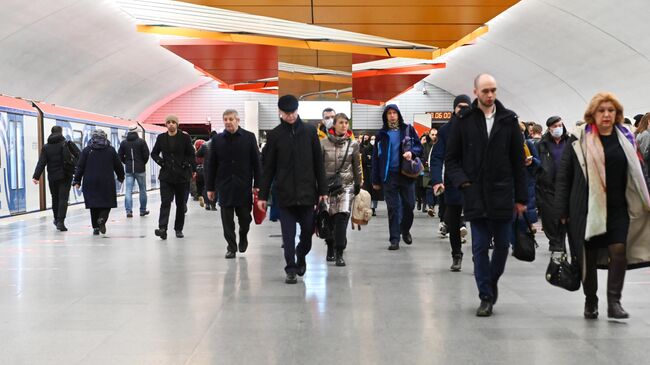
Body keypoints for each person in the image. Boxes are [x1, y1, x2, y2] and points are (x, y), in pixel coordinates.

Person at [555, 92, 650, 320]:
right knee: (587, 256)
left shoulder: (626, 138)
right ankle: (591, 300)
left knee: (618, 250)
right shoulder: (578, 140)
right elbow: (564, 176)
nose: (607, 115)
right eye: (602, 111)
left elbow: (638, 172)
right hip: (587, 208)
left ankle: (614, 301)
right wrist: (561, 209)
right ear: (592, 114)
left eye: (611, 111)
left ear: (617, 115)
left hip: (618, 207)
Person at [446, 74, 527, 317]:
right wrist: (464, 183)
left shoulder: (509, 120)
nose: (490, 95)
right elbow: (451, 159)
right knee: (480, 247)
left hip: (503, 193)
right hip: (475, 193)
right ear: (475, 92)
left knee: (502, 245)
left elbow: (518, 162)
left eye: (493, 90)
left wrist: (522, 198)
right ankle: (485, 296)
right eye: (485, 91)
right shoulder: (464, 120)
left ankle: (491, 283)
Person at [258, 95, 328, 284]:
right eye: (286, 113)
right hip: (285, 194)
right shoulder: (274, 135)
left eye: (293, 112)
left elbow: (318, 164)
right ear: (280, 113)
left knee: (307, 234)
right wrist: (263, 195)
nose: (290, 116)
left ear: (298, 110)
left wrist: (323, 191)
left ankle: (301, 254)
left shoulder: (309, 132)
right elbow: (268, 168)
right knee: (288, 236)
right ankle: (290, 268)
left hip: (307, 194)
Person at [206, 109, 261, 259]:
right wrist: (210, 188)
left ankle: (243, 235)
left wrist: (258, 183)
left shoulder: (249, 137)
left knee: (245, 218)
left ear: (238, 120)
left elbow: (257, 162)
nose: (228, 122)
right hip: (224, 185)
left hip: (243, 185)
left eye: (231, 119)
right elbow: (211, 164)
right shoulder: (217, 140)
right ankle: (231, 246)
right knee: (227, 219)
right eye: (225, 119)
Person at [371, 104, 423, 250]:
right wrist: (375, 180)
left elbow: (419, 148)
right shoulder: (381, 135)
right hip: (389, 176)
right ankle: (394, 239)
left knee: (409, 205)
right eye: (389, 113)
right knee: (393, 208)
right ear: (385, 116)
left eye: (394, 113)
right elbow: (376, 158)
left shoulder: (408, 129)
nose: (392, 115)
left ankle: (404, 229)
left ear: (399, 115)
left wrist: (411, 153)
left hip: (406, 174)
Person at [431, 94, 471, 272]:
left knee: (479, 220)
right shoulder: (445, 131)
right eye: (459, 106)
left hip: (474, 182)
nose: (463, 109)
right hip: (453, 181)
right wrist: (437, 181)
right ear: (454, 108)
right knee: (453, 222)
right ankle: (457, 254)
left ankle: (480, 256)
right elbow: (437, 158)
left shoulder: (479, 128)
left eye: (466, 106)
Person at [321, 113, 362, 266]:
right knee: (329, 219)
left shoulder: (353, 144)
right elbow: (318, 166)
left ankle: (339, 251)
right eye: (341, 122)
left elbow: (357, 165)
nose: (344, 125)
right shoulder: (323, 143)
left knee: (342, 218)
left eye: (346, 123)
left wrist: (358, 183)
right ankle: (330, 246)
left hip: (346, 185)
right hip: (327, 187)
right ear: (334, 124)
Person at [151, 115, 196, 240]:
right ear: (166, 125)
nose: (171, 124)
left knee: (180, 204)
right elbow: (153, 153)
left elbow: (191, 154)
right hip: (166, 176)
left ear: (177, 124)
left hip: (182, 176)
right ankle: (162, 228)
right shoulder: (161, 138)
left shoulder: (185, 138)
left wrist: (187, 164)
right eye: (168, 122)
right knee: (165, 202)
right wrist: (161, 162)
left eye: (173, 122)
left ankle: (178, 229)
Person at [72, 130, 125, 235]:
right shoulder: (110, 150)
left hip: (90, 181)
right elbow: (118, 165)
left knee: (93, 204)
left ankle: (95, 227)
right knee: (107, 203)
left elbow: (80, 166)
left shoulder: (87, 150)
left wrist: (77, 180)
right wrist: (121, 177)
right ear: (105, 138)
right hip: (106, 181)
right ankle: (102, 219)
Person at [32, 125, 80, 231]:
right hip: (65, 175)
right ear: (61, 132)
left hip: (52, 177)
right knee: (63, 198)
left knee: (55, 198)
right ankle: (60, 222)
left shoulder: (46, 147)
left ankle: (56, 219)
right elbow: (79, 155)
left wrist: (36, 176)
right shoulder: (67, 143)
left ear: (51, 132)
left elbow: (41, 162)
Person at [535, 116, 570, 252]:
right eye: (555, 126)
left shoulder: (569, 142)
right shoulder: (542, 145)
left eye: (560, 125)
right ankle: (554, 240)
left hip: (565, 185)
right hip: (547, 186)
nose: (558, 128)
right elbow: (537, 165)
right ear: (549, 129)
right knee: (549, 215)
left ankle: (559, 240)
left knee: (564, 214)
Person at [118, 124, 150, 218]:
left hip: (128, 170)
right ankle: (142, 210)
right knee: (142, 190)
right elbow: (146, 155)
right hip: (140, 169)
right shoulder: (141, 142)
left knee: (128, 191)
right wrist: (142, 163)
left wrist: (126, 162)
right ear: (137, 131)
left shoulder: (124, 143)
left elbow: (119, 156)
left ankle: (129, 211)